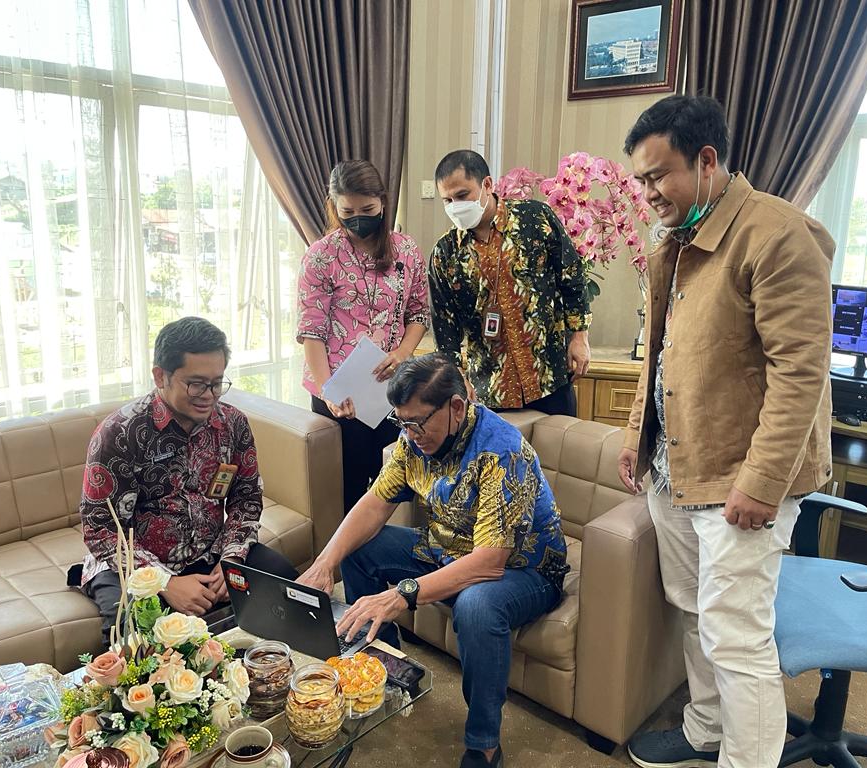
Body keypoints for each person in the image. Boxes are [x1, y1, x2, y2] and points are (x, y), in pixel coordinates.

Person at [618, 95, 834, 768]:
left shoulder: (777, 234)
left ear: (706, 161)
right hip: (677, 467)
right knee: (694, 611)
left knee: (737, 638)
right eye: (641, 181)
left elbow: (800, 374)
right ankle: (705, 728)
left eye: (659, 176)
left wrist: (762, 483)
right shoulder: (677, 240)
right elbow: (659, 354)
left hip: (741, 480)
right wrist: (636, 436)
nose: (648, 194)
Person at [297, 353, 569, 768]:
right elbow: (374, 503)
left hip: (524, 570)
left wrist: (401, 595)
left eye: (417, 423)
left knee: (476, 606)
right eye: (401, 422)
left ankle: (484, 745)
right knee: (358, 549)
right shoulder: (413, 440)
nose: (409, 434)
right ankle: (390, 670)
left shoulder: (501, 450)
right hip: (446, 549)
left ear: (456, 407)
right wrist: (325, 563)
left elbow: (488, 562)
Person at [75, 316, 298, 644]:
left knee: (290, 593)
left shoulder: (232, 424)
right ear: (160, 376)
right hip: (135, 566)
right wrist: (164, 582)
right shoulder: (120, 433)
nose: (208, 395)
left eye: (217, 383)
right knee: (132, 638)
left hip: (212, 553)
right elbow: (101, 529)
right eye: (196, 384)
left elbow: (246, 500)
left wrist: (231, 559)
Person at [297, 159, 430, 514]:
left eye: (367, 210)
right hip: (340, 390)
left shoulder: (406, 251)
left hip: (392, 386)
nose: (358, 219)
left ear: (383, 203)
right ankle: (350, 549)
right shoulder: (321, 257)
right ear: (334, 207)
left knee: (395, 480)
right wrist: (329, 390)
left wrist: (403, 352)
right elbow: (311, 331)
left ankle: (391, 545)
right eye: (348, 212)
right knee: (348, 488)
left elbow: (419, 313)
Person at [428, 149, 591, 417]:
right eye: (447, 200)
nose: (456, 206)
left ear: (487, 185)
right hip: (490, 387)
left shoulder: (535, 219)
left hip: (548, 375)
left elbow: (571, 276)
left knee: (560, 444)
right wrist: (456, 377)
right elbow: (444, 325)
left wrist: (579, 337)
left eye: (462, 195)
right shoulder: (445, 253)